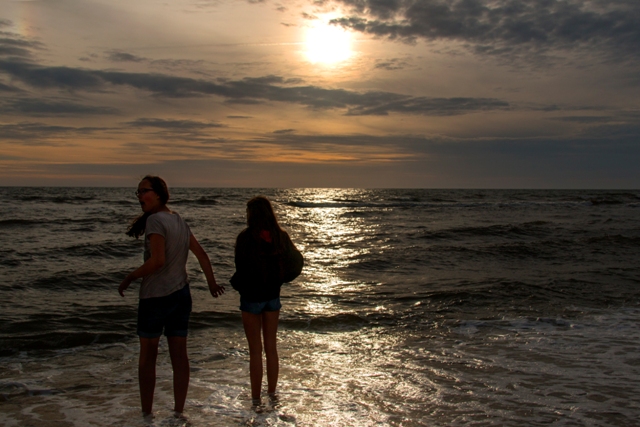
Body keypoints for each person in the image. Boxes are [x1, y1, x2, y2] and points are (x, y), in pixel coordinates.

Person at [118, 175, 225, 416]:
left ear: (158, 194)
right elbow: (201, 254)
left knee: (148, 357)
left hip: (155, 297)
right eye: (137, 192)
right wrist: (211, 284)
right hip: (181, 295)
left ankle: (147, 415)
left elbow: (158, 261)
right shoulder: (178, 220)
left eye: (143, 191)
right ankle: (178, 413)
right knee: (179, 356)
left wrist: (130, 277)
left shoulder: (155, 220)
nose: (139, 196)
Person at [231, 196, 301, 403]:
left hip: (252, 297)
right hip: (272, 296)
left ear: (252, 214)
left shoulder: (245, 237)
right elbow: (297, 261)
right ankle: (271, 394)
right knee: (271, 347)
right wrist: (281, 279)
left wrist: (240, 285)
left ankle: (255, 399)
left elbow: (240, 266)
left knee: (255, 351)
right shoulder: (280, 236)